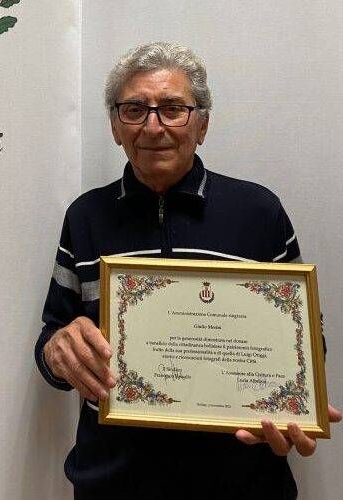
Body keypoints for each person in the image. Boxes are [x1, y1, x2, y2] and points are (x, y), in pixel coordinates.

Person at [34, 42, 342, 499]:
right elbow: (52, 342)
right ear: (115, 127)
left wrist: (294, 405)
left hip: (245, 486)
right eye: (134, 110)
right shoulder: (85, 217)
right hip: (113, 486)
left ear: (202, 125)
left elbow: (307, 341)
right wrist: (58, 351)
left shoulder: (259, 212)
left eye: (173, 109)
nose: (153, 126)